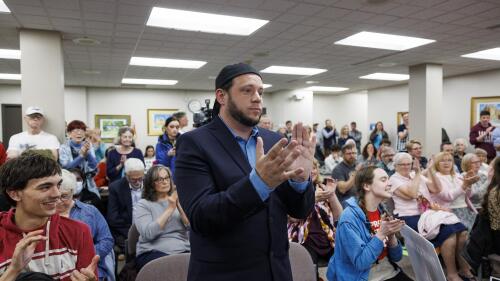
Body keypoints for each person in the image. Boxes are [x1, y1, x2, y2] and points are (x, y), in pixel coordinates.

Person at [175, 63, 315, 281]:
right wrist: (259, 183)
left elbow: (299, 211)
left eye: (260, 91)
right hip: (224, 274)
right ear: (221, 96)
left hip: (277, 272)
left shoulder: (274, 140)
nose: (257, 97)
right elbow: (202, 217)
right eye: (247, 90)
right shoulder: (194, 143)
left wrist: (300, 180)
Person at [0, 151, 98, 281]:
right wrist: (13, 270)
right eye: (45, 187)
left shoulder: (78, 231)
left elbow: (89, 275)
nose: (57, 194)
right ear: (15, 194)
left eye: (58, 185)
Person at [389, 152, 473, 281]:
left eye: (408, 164)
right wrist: (418, 173)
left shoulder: (415, 175)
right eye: (402, 164)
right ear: (395, 166)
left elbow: (437, 189)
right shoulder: (394, 179)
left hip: (428, 214)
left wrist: (431, 170)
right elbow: (411, 193)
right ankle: (452, 273)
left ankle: (460, 264)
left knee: (461, 232)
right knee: (449, 233)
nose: (406, 167)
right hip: (410, 217)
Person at [326, 166, 410, 281]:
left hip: (387, 269)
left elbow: (397, 257)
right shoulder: (349, 218)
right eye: (383, 179)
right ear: (366, 186)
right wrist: (381, 234)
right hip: (362, 276)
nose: (390, 183)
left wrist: (391, 235)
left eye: (389, 179)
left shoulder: (382, 210)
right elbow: (361, 263)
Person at [56, 170, 115, 281]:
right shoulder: (44, 215)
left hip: (89, 268)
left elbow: (107, 239)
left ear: (72, 192)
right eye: (55, 197)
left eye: (64, 196)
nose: (58, 201)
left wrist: (85, 255)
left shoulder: (90, 211)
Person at [288, 160, 342, 277]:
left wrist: (332, 195)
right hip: (303, 240)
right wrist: (313, 200)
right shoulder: (293, 191)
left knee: (344, 262)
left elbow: (339, 216)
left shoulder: (322, 187)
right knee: (309, 273)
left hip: (328, 238)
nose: (312, 171)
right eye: (308, 168)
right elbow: (293, 218)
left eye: (314, 167)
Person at [134, 165, 190, 271]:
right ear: (151, 183)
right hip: (152, 251)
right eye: (159, 179)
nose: (165, 182)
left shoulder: (178, 199)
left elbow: (191, 227)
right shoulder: (143, 205)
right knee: (170, 269)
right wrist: (170, 209)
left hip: (182, 249)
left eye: (167, 178)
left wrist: (179, 206)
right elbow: (148, 234)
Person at [107, 158, 145, 256]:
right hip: (124, 231)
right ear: (126, 176)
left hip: (148, 229)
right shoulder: (116, 188)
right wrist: (133, 233)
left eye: (140, 178)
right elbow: (113, 218)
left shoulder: (150, 184)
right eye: (133, 179)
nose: (137, 182)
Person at [59, 120, 100, 197]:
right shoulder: (64, 147)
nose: (79, 133)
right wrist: (81, 156)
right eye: (76, 131)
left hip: (87, 183)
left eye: (82, 131)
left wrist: (87, 153)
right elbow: (66, 167)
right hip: (69, 181)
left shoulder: (88, 145)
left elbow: (94, 165)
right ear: (69, 134)